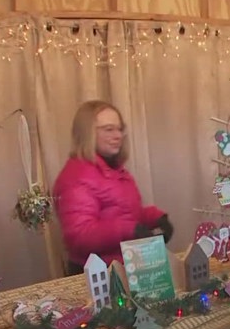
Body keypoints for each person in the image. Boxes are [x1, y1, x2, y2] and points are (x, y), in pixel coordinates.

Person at [53, 99, 173, 274]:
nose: (118, 136)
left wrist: (157, 218)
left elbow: (126, 213)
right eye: (109, 129)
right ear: (87, 133)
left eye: (119, 129)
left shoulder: (115, 170)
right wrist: (128, 230)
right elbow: (79, 236)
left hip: (123, 268)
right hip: (97, 274)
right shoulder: (76, 176)